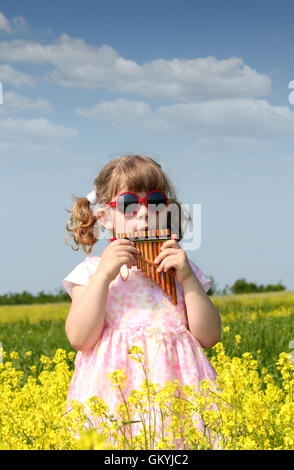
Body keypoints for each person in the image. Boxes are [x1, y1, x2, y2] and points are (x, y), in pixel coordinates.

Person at [62, 154, 222, 449]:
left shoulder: (180, 271)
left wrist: (187, 278)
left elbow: (210, 336)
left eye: (156, 202)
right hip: (112, 400)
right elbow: (80, 338)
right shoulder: (90, 273)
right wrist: (103, 276)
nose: (145, 214)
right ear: (105, 218)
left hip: (177, 400)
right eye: (129, 205)